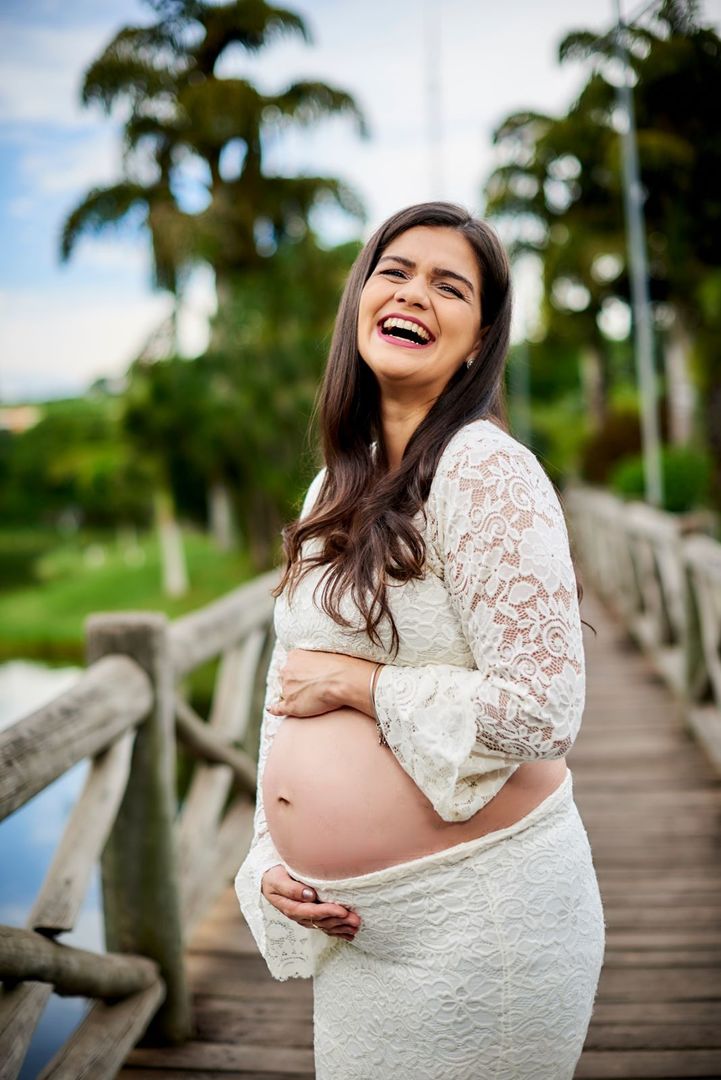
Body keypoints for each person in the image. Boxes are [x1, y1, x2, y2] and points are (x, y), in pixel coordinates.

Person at [235, 201, 605, 1080]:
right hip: (357, 941)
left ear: (478, 342)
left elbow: (544, 709)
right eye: (395, 272)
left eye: (449, 286)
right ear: (361, 299)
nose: (412, 294)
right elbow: (289, 690)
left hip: (481, 925)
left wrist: (360, 687)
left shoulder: (484, 469)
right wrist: (267, 856)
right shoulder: (335, 483)